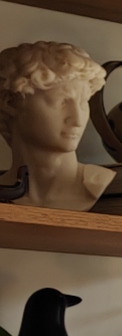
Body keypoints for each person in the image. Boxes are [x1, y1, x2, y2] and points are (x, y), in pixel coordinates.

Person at [0, 38, 107, 211]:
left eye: (83, 102)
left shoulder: (101, 186)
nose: (78, 120)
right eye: (62, 102)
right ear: (11, 103)